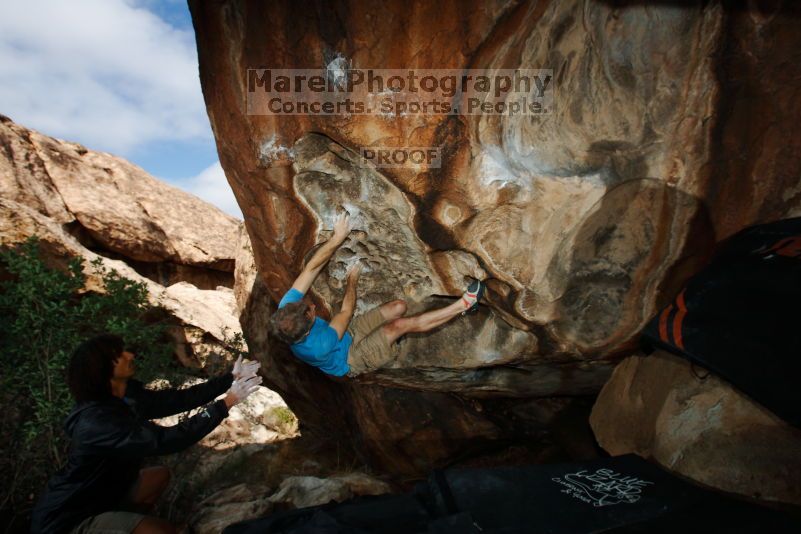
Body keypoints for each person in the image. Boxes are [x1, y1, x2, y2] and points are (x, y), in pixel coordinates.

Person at [30, 334, 262, 534]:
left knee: (157, 476)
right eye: (119, 354)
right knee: (162, 532)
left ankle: (122, 523)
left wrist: (229, 379)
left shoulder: (126, 397)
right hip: (67, 522)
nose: (129, 355)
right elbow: (168, 440)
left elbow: (177, 400)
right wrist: (226, 404)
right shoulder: (97, 423)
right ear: (103, 369)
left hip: (102, 499)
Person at [268, 212, 484, 377]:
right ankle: (464, 305)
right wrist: (353, 277)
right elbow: (346, 311)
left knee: (399, 307)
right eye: (311, 311)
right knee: (399, 326)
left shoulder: (287, 309)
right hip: (349, 359)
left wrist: (337, 239)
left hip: (345, 334)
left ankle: (396, 336)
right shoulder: (318, 346)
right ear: (308, 327)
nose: (312, 305)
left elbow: (311, 270)